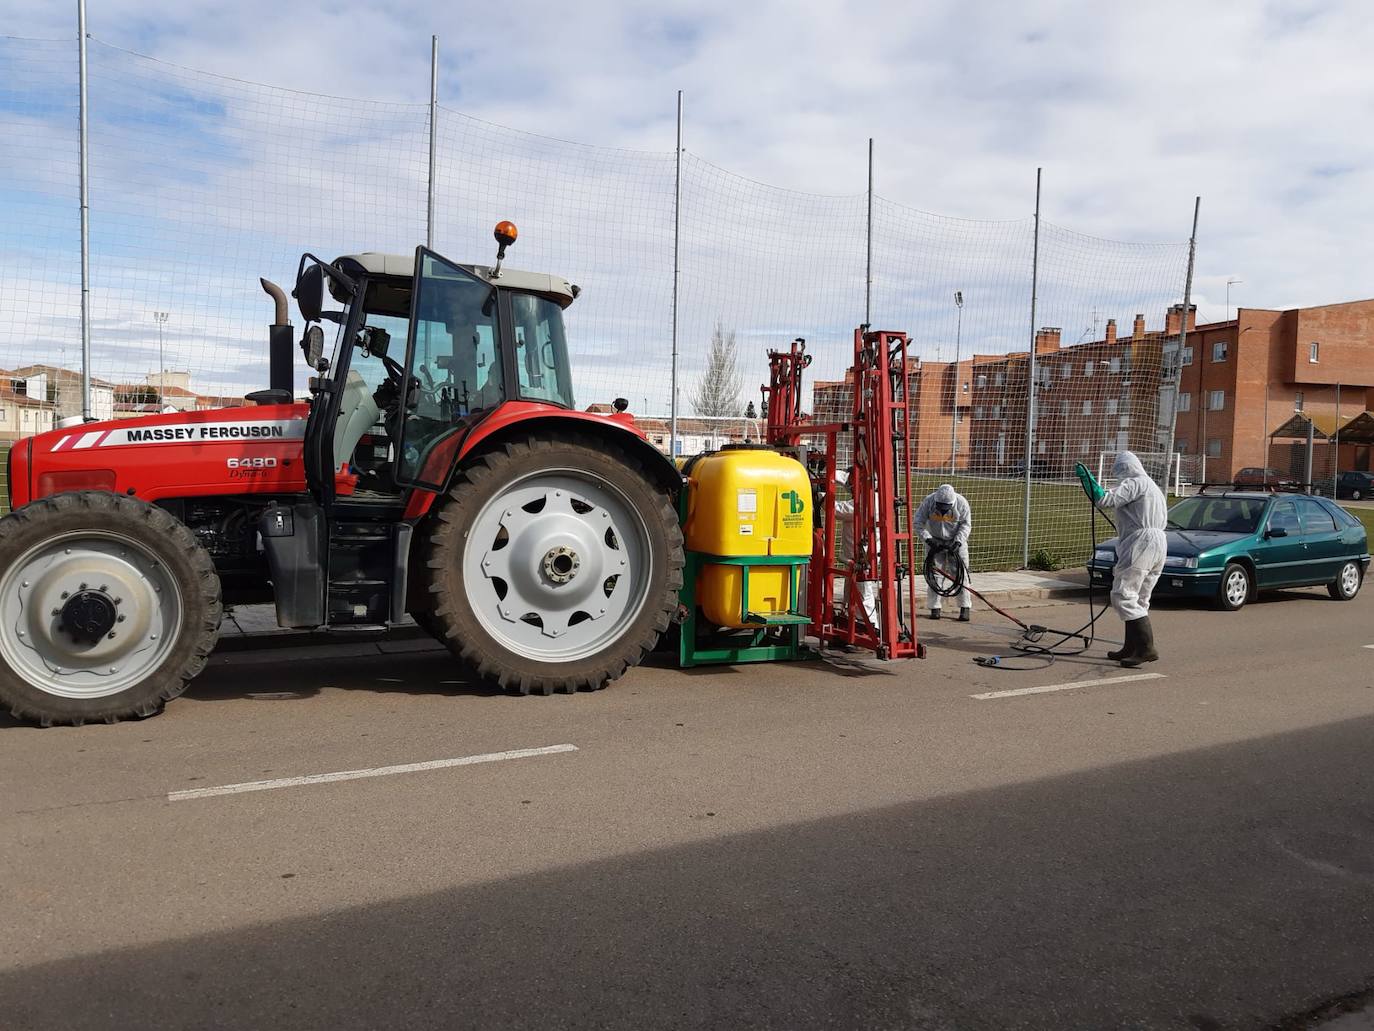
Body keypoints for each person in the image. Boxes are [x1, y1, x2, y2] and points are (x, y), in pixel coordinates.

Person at [1075, 452, 1167, 666]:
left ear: (1125, 469)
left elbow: (1105, 499)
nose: (1119, 478)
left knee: (1123, 594)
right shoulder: (1152, 486)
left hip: (1141, 542)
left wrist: (1088, 480)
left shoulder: (1136, 483)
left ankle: (1145, 648)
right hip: (1159, 542)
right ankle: (1131, 647)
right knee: (1140, 597)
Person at [913, 484, 972, 621]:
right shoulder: (928, 502)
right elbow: (917, 523)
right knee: (934, 575)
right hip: (935, 542)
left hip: (955, 542)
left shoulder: (962, 503)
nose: (943, 511)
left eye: (946, 508)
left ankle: (965, 607)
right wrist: (929, 540)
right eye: (941, 507)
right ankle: (934, 607)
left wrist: (957, 542)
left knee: (960, 574)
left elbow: (966, 525)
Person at [832, 466, 880, 630]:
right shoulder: (866, 495)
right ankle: (853, 623)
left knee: (862, 591)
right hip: (856, 556)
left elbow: (836, 510)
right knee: (852, 591)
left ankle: (868, 626)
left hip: (863, 556)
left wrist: (820, 495)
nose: (849, 487)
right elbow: (842, 477)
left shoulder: (866, 502)